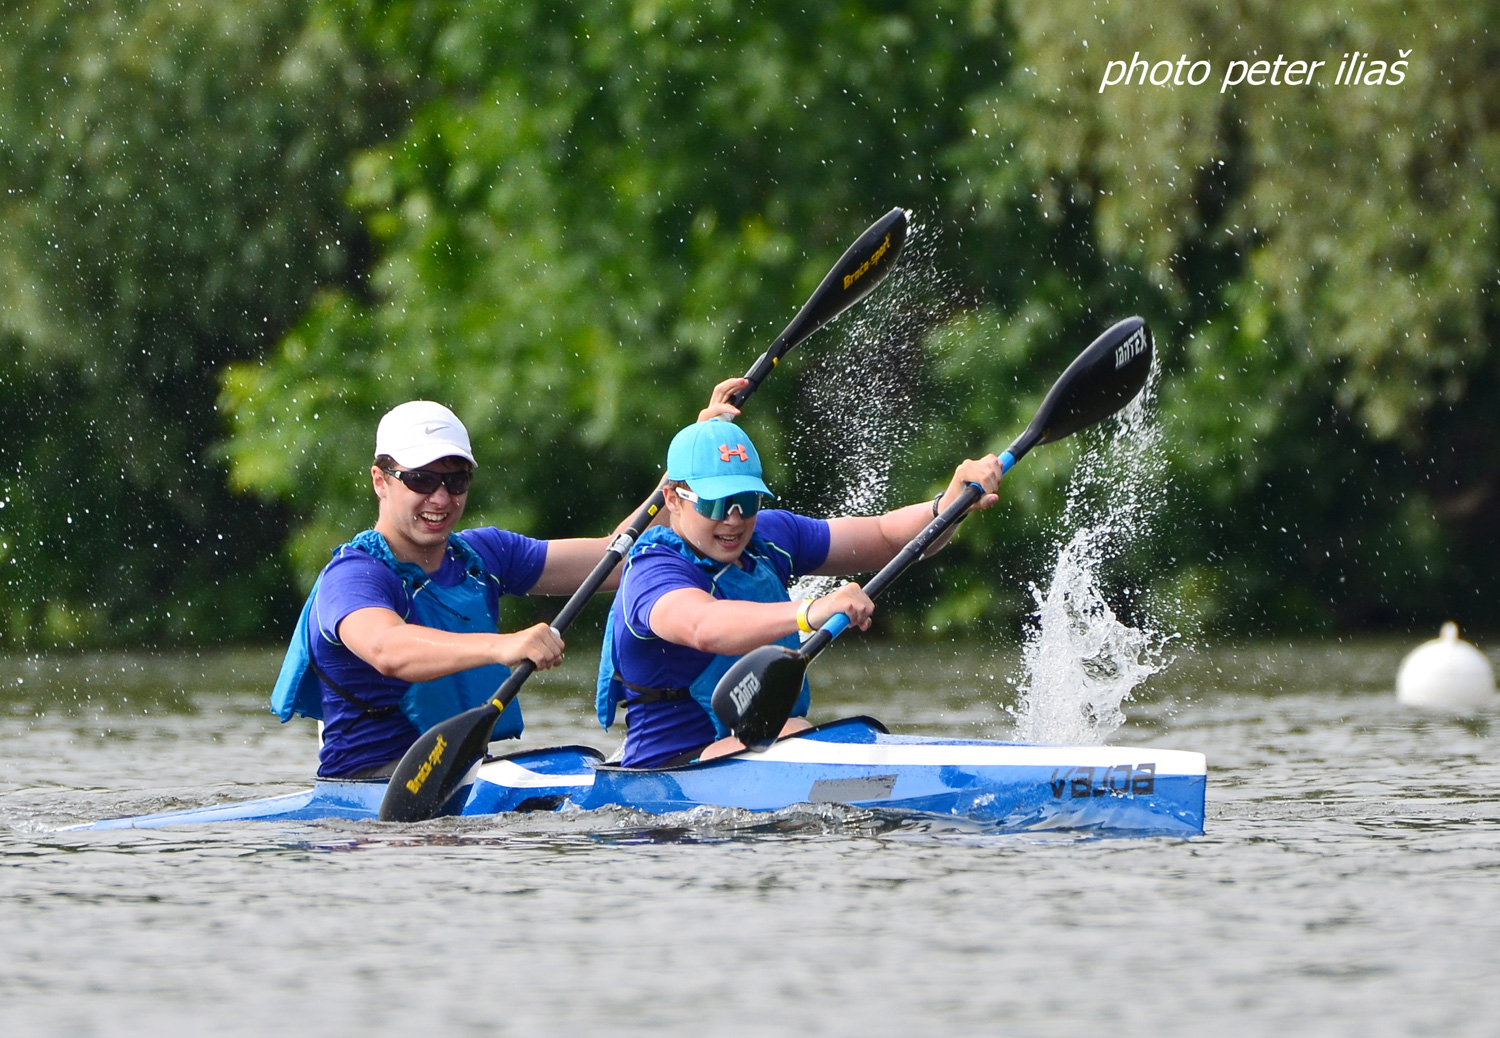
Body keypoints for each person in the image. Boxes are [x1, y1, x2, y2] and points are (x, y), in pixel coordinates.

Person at [272, 385, 741, 780]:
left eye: (456, 481)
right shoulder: (354, 576)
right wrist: (503, 646)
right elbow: (388, 650)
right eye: (421, 479)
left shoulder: (482, 555)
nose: (440, 497)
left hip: (467, 777)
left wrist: (684, 473)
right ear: (380, 480)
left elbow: (616, 559)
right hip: (377, 792)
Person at [596, 400, 1003, 768]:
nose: (735, 518)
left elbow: (884, 536)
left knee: (797, 731)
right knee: (792, 733)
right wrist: (813, 611)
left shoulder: (769, 539)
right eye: (716, 503)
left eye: (748, 501)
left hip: (753, 750)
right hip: (666, 775)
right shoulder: (653, 568)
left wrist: (948, 504)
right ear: (672, 499)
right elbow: (704, 626)